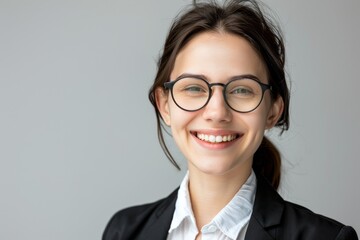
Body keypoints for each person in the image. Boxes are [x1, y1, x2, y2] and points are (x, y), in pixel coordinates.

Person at [102, 0, 358, 239]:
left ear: (273, 111)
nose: (217, 112)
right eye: (193, 88)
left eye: (242, 89)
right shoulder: (124, 231)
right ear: (164, 105)